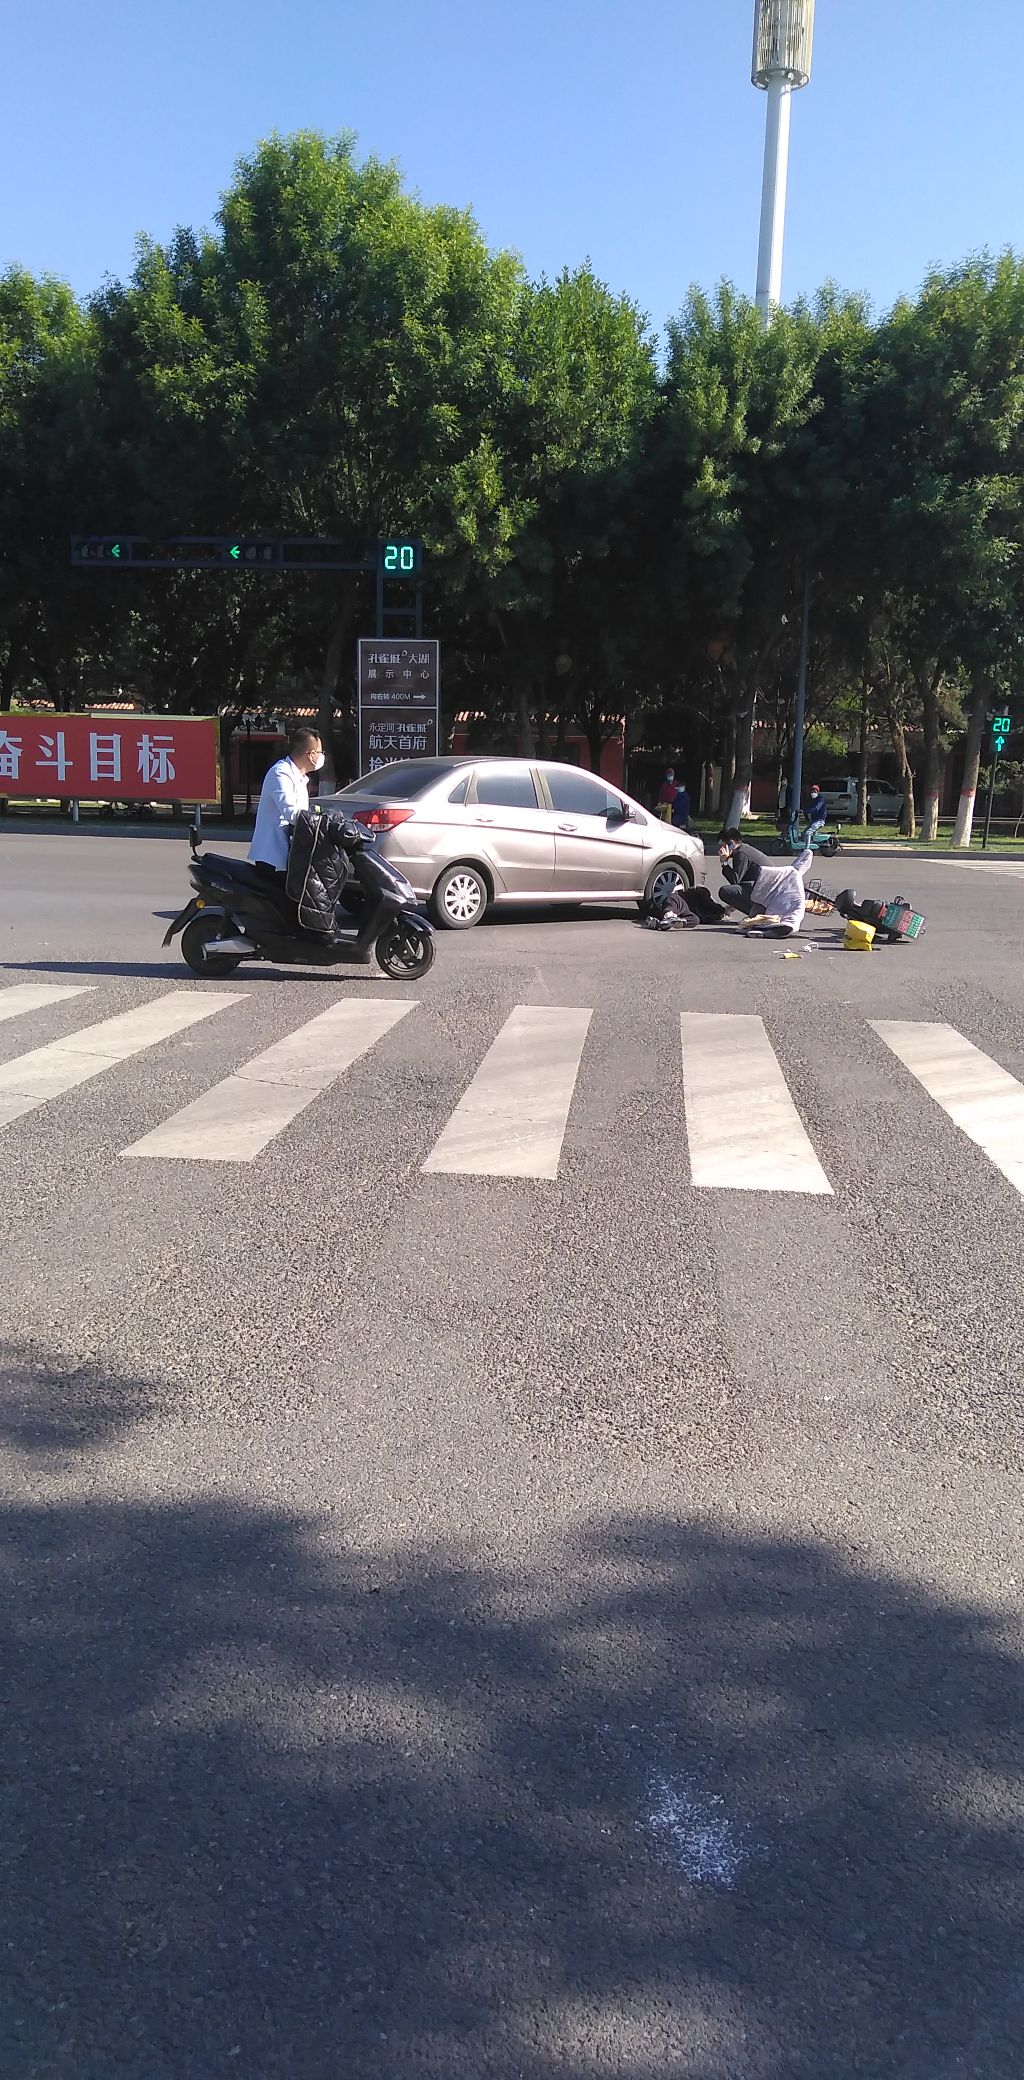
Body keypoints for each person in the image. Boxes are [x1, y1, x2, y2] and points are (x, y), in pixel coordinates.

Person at [248, 725, 325, 886]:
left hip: (289, 853)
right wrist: (319, 823)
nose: (321, 757)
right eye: (319, 753)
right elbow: (292, 813)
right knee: (275, 907)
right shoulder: (281, 773)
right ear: (311, 755)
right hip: (272, 855)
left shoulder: (299, 776)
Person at [717, 827, 812, 938]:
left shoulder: (741, 853)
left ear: (731, 843)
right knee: (735, 891)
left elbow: (735, 880)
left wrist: (724, 863)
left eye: (723, 845)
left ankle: (759, 916)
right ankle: (758, 915)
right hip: (766, 888)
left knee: (725, 891)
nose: (721, 849)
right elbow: (742, 883)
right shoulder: (746, 850)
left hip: (765, 890)